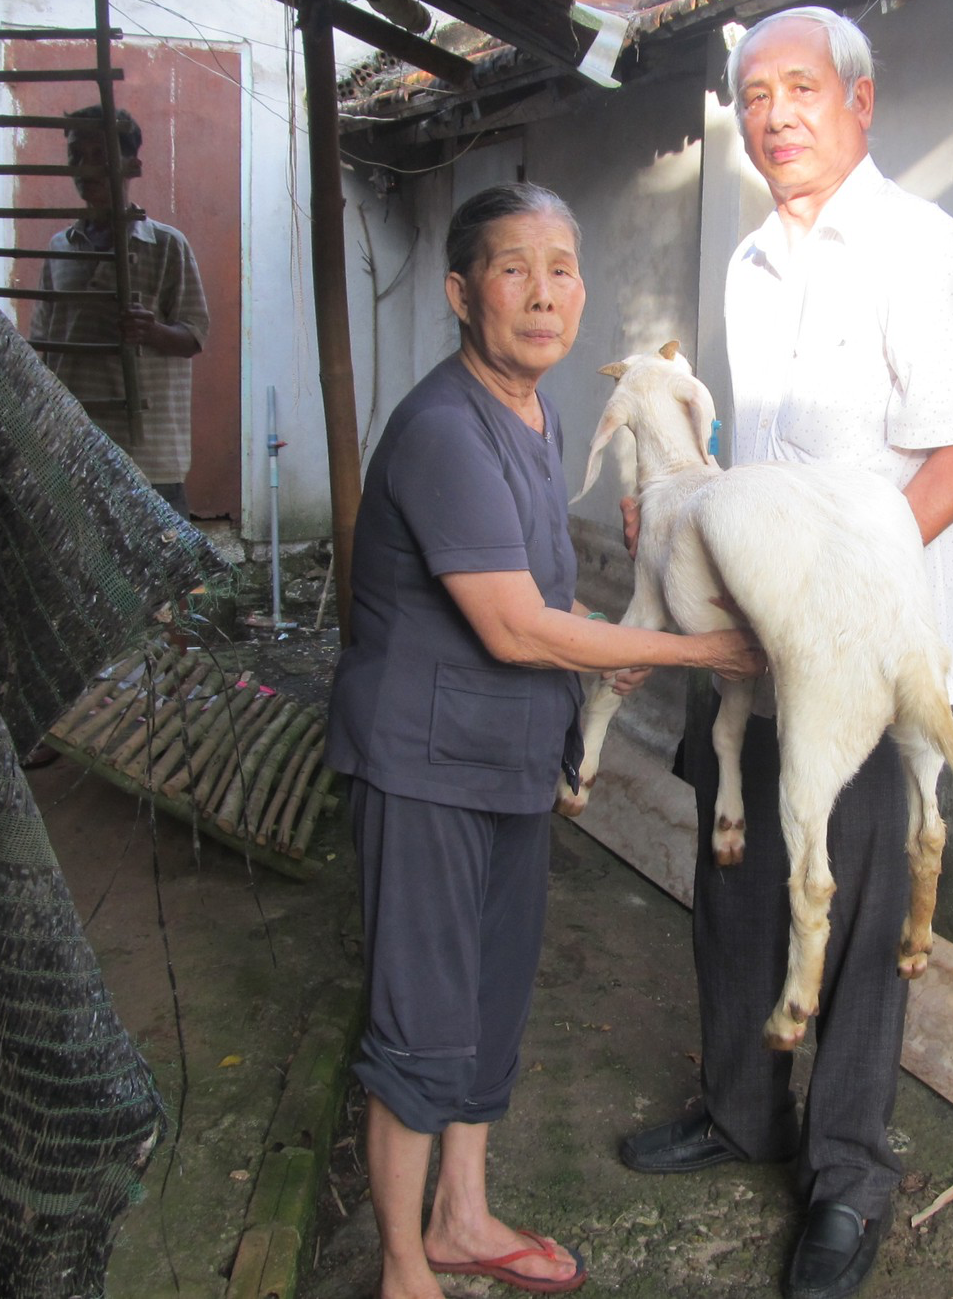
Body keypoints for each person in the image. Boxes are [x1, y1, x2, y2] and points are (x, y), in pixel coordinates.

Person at [616, 7, 953, 1299]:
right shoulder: (749, 268)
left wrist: (842, 588)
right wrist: (689, 507)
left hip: (875, 649)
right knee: (732, 878)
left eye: (800, 88)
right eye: (754, 94)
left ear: (861, 102)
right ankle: (740, 1111)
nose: (775, 113)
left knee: (857, 913)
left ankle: (846, 1178)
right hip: (755, 636)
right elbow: (767, 472)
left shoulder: (929, 255)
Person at [324, 183, 766, 1299]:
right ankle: (400, 1269)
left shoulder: (537, 414)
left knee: (488, 998)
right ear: (460, 292)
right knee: (419, 1013)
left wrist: (603, 657)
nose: (542, 293)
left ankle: (463, 1219)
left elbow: (541, 591)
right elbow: (514, 624)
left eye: (560, 268)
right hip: (424, 766)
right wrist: (700, 657)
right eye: (511, 268)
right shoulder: (438, 428)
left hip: (513, 760)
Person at [29, 104, 207, 515]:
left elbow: (195, 336)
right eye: (77, 156)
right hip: (75, 444)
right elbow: (44, 346)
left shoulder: (166, 245)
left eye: (102, 156)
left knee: (163, 574)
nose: (86, 168)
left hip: (148, 456)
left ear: (132, 166)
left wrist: (153, 332)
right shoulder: (60, 248)